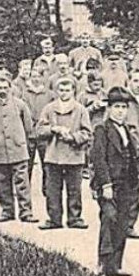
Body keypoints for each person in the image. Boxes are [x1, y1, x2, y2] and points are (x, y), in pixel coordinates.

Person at [89, 87, 139, 276]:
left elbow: (130, 157)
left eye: (123, 107)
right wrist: (105, 185)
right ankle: (102, 262)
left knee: (122, 223)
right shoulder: (102, 129)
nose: (120, 111)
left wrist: (137, 175)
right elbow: (98, 159)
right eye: (116, 107)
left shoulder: (127, 131)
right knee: (108, 218)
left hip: (125, 185)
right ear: (109, 108)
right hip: (108, 185)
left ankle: (115, 265)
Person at [37, 74, 93, 230]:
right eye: (61, 90)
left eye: (67, 90)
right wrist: (53, 129)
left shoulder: (80, 110)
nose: (64, 93)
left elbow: (88, 133)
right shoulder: (49, 109)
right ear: (56, 91)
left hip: (74, 155)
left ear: (74, 91)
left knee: (74, 189)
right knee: (52, 189)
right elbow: (39, 130)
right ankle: (54, 219)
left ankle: (74, 218)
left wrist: (73, 137)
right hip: (53, 155)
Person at [0, 66, 36, 223]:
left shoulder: (20, 105)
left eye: (6, 87)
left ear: (11, 87)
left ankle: (26, 212)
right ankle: (7, 211)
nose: (3, 90)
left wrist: (27, 147)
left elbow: (29, 129)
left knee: (22, 183)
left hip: (18, 150)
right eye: (0, 87)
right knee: (3, 183)